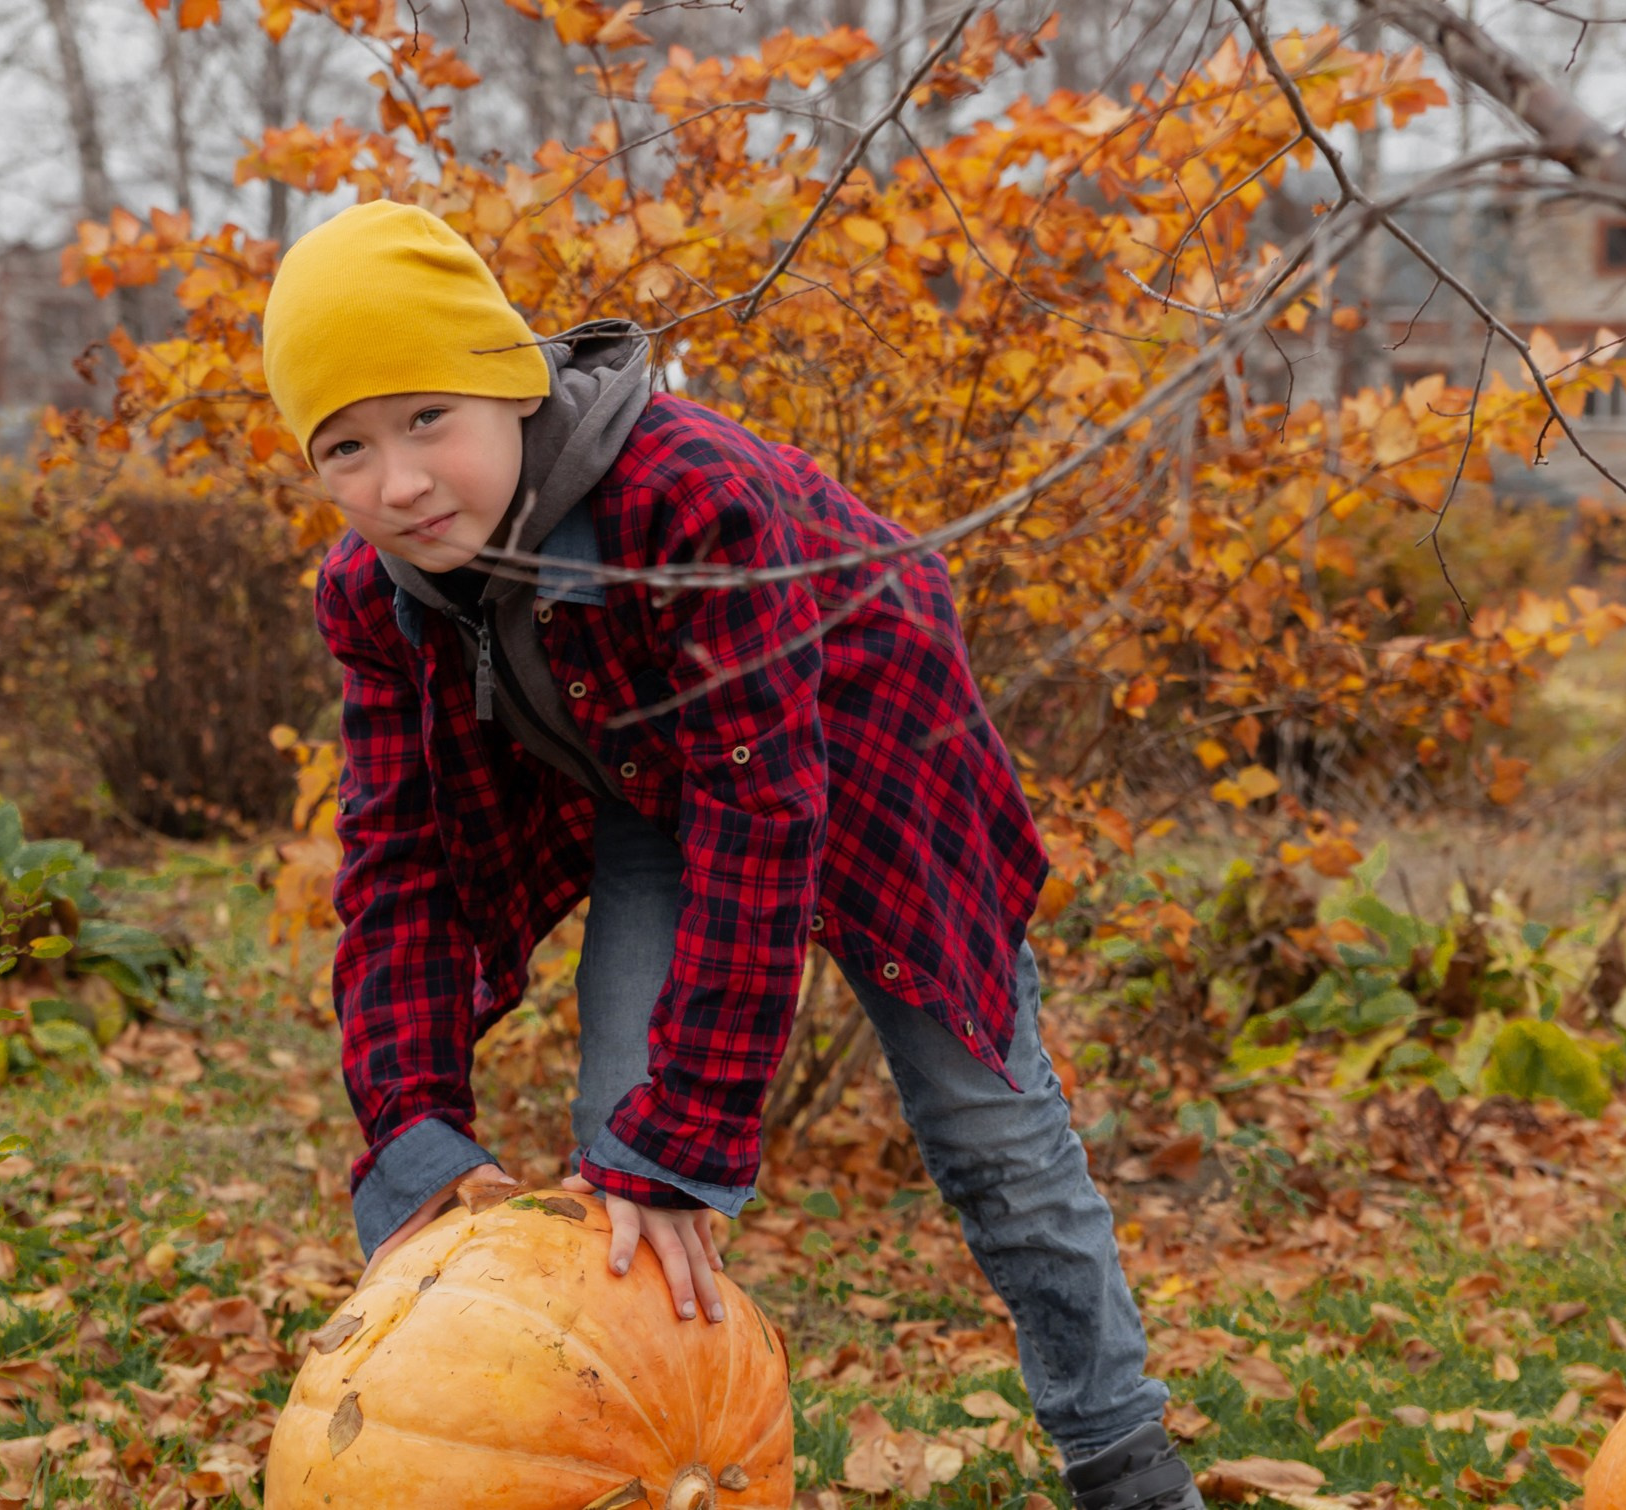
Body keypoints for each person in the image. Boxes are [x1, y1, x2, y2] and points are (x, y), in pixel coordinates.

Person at [263, 198, 1204, 1510]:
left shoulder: (686, 496)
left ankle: (1125, 1460)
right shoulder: (376, 594)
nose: (399, 482)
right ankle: (651, 1461)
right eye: (345, 447)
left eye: (429, 419)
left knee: (988, 1122)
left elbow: (765, 813)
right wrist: (411, 1124)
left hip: (876, 746)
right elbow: (396, 858)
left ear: (508, 384)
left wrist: (695, 1128)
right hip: (665, 779)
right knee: (625, 1155)